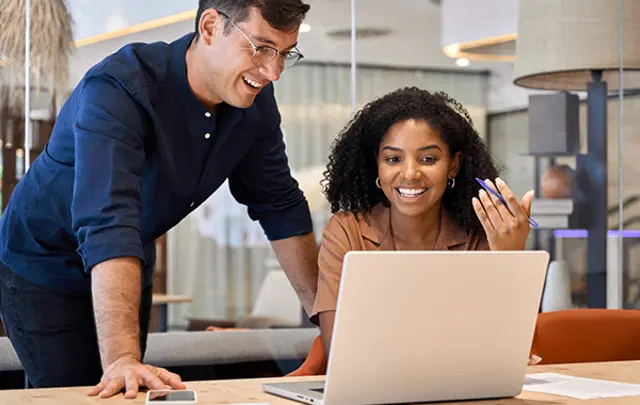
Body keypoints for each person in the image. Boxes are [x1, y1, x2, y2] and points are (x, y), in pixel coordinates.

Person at [0, 0, 320, 398]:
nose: (273, 71)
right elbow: (109, 221)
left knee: (131, 391)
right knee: (79, 390)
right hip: (43, 262)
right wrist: (120, 357)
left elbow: (280, 205)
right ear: (209, 27)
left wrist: (328, 323)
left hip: (128, 257)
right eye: (260, 48)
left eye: (284, 54)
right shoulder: (119, 88)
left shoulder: (254, 104)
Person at [291, 87, 539, 376]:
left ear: (453, 165)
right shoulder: (347, 231)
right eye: (393, 159)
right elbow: (341, 353)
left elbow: (509, 351)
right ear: (377, 164)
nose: (409, 173)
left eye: (428, 159)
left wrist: (510, 258)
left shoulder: (479, 234)